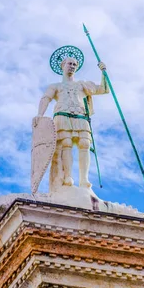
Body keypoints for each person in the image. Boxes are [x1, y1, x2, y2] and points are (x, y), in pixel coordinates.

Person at [36, 56, 108, 191]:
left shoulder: (82, 85)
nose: (72, 66)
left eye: (75, 64)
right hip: (62, 115)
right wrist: (40, 115)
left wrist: (104, 73)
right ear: (63, 65)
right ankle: (67, 176)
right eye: (70, 63)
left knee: (85, 144)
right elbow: (46, 98)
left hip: (80, 115)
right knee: (66, 143)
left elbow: (103, 89)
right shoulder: (56, 86)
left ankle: (84, 179)